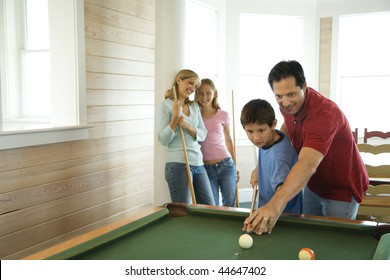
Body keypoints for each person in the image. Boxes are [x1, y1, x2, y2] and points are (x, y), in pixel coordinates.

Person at [244, 60, 368, 235]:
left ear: (304, 86)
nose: (285, 102)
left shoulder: (324, 115)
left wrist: (273, 205)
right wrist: (260, 167)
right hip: (313, 183)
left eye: (291, 94)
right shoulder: (288, 107)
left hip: (340, 188)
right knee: (308, 236)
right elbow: (288, 131)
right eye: (279, 96)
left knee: (332, 242)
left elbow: (307, 164)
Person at [157, 69, 215, 205]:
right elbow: (163, 140)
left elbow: (203, 134)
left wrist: (188, 127)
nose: (192, 88)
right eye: (190, 83)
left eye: (195, 86)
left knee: (209, 207)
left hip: (198, 163)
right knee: (183, 211)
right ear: (179, 80)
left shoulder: (194, 106)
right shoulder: (165, 106)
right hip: (178, 164)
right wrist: (175, 117)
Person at [240, 98, 302, 214]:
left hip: (281, 217)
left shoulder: (278, 159)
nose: (256, 138)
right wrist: (258, 169)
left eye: (261, 130)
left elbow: (282, 190)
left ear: (273, 124)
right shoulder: (276, 136)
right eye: (250, 131)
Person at [195, 78, 239, 207]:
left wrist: (235, 164)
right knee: (211, 206)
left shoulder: (223, 115)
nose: (204, 97)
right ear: (196, 94)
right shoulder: (194, 115)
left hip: (226, 164)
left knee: (229, 204)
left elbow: (228, 140)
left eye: (208, 93)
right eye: (200, 93)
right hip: (205, 168)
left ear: (215, 93)